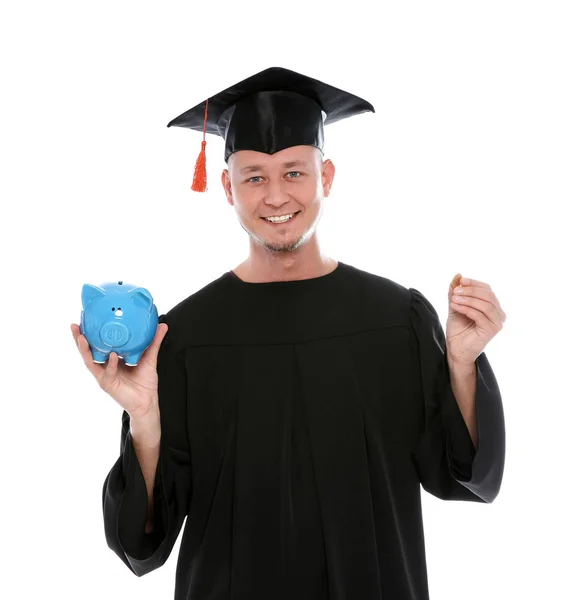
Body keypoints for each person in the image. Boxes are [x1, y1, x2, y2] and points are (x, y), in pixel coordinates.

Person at [71, 66, 506, 600]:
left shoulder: (396, 320)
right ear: (228, 186)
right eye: (254, 176)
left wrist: (461, 367)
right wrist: (143, 421)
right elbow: (142, 543)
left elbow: (462, 476)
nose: (276, 196)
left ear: (326, 177)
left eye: (294, 173)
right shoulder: (184, 338)